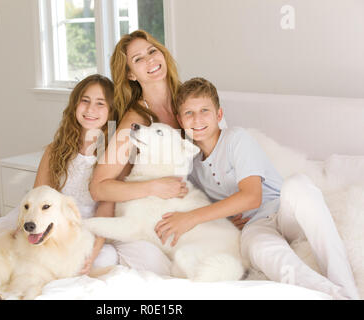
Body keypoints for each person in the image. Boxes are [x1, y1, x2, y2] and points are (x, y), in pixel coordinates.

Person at [154, 77, 359, 299]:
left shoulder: (236, 138)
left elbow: (252, 197)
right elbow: (199, 202)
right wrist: (224, 219)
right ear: (180, 120)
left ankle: (347, 286)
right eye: (189, 113)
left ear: (219, 115)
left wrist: (191, 218)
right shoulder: (191, 165)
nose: (197, 119)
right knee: (259, 250)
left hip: (283, 211)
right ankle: (336, 295)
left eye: (204, 110)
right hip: (254, 226)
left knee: (298, 184)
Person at [0, 74, 118, 273]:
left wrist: (94, 250)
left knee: (102, 261)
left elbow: (106, 209)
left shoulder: (113, 155)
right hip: (44, 219)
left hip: (84, 229)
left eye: (100, 103)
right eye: (85, 101)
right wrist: (25, 231)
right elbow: (38, 195)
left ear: (111, 112)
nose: (91, 109)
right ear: (75, 105)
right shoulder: (55, 149)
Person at [89, 30, 189, 276]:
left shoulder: (188, 102)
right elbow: (99, 187)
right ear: (131, 74)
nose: (150, 60)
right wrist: (154, 187)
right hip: (148, 219)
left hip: (191, 211)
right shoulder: (134, 123)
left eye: (152, 51)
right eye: (138, 59)